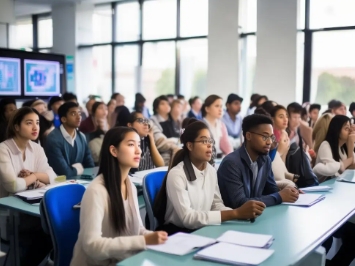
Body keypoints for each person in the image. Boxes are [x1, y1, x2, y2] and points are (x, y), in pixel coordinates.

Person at [71, 127, 167, 265]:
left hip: (124, 260)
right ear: (113, 151)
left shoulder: (130, 185)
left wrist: (153, 237)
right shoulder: (97, 191)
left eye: (138, 145)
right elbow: (92, 246)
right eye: (131, 145)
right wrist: (143, 241)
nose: (138, 150)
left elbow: (137, 229)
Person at [154, 119, 265, 235]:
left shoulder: (211, 170)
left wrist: (241, 215)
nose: (209, 145)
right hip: (178, 233)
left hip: (202, 228)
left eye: (210, 140)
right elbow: (187, 218)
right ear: (190, 146)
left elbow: (216, 204)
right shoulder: (177, 174)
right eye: (203, 141)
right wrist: (236, 213)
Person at [0, 107, 54, 265]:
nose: (35, 127)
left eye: (37, 122)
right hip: (8, 212)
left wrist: (34, 175)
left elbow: (53, 177)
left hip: (31, 208)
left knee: (52, 232)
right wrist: (35, 178)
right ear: (16, 127)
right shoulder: (3, 149)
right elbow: (12, 185)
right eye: (29, 123)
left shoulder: (36, 148)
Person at [217, 114, 299, 209]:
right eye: (265, 137)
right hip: (233, 221)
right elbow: (240, 202)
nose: (269, 142)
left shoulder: (265, 159)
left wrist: (289, 193)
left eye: (271, 137)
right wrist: (280, 196)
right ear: (248, 136)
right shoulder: (231, 163)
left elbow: (271, 191)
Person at [45, 102, 95, 178]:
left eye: (79, 114)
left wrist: (74, 170)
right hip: (59, 183)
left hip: (81, 180)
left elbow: (90, 165)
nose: (79, 117)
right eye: (73, 114)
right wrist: (78, 169)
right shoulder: (53, 139)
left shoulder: (81, 136)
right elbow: (64, 172)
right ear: (64, 119)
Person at [313, 115, 355, 183]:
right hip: (323, 185)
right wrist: (343, 164)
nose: (350, 131)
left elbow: (352, 166)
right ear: (337, 130)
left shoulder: (343, 147)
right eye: (346, 128)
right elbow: (332, 169)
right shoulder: (326, 145)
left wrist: (350, 145)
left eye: (350, 128)